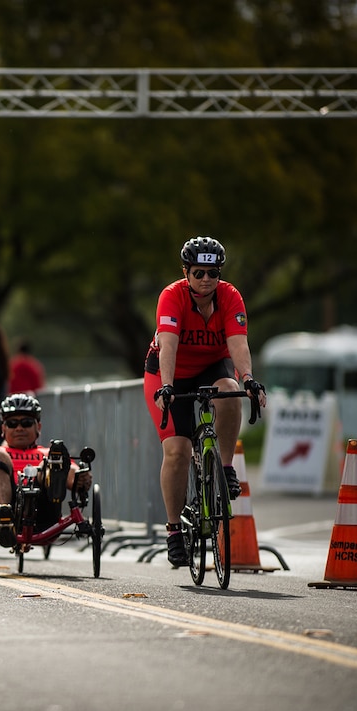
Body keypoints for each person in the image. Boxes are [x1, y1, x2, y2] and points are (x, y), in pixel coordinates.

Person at [144, 236, 267, 568]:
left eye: (213, 273)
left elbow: (238, 344)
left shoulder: (230, 296)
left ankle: (224, 467)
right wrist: (167, 387)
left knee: (229, 391)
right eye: (199, 272)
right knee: (178, 451)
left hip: (212, 366)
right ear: (186, 272)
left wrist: (248, 380)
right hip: (170, 372)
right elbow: (168, 345)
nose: (206, 279)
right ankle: (172, 531)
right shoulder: (172, 296)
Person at [0, 393, 91, 548]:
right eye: (12, 424)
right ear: (3, 428)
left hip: (44, 509)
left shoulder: (49, 453)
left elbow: (73, 476)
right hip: (6, 506)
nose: (19, 428)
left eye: (26, 423)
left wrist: (81, 479)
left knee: (54, 460)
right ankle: (4, 517)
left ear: (38, 427)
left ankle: (52, 479)